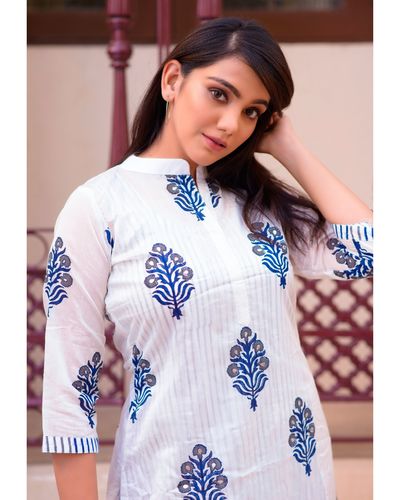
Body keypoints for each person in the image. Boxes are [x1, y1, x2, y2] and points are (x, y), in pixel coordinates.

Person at [41, 17, 373, 500]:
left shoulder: (255, 202)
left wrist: (289, 147)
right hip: (167, 480)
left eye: (252, 111)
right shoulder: (98, 207)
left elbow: (369, 252)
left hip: (291, 475)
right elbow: (70, 389)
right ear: (173, 80)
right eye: (219, 94)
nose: (231, 125)